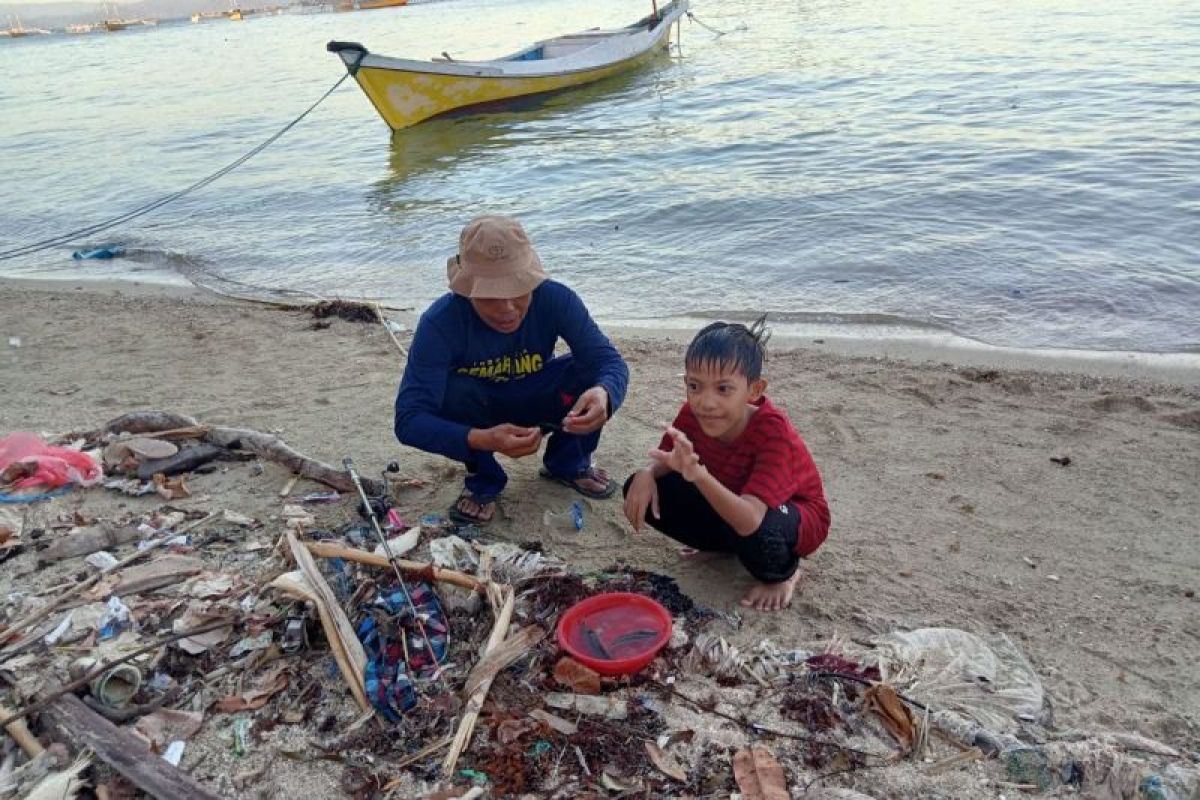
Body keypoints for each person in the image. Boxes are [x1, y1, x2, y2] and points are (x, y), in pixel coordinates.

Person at [395, 214, 629, 525]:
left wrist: (604, 394)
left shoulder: (556, 298)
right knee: (451, 390)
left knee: (590, 373)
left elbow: (608, 361)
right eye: (491, 296)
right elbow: (409, 420)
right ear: (468, 289)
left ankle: (568, 463)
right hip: (477, 409)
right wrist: (482, 439)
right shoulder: (440, 322)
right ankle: (485, 479)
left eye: (518, 290)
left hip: (535, 395)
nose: (507, 309)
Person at [623, 318, 830, 611]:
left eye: (723, 389)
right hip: (734, 499)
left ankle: (788, 573)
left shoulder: (773, 431)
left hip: (794, 514)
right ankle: (725, 548)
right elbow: (668, 460)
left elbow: (750, 519)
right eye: (695, 386)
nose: (706, 403)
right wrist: (647, 474)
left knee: (757, 526)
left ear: (754, 390)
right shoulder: (691, 415)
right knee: (642, 488)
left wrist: (699, 475)